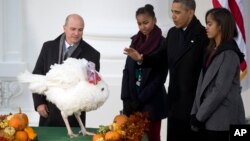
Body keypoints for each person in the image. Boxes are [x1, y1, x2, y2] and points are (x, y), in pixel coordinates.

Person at [123, 0, 209, 141]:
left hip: (193, 105)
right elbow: (160, 58)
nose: (173, 16)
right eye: (172, 12)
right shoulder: (173, 33)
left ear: (191, 12)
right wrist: (141, 59)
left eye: (177, 12)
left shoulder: (203, 37)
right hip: (174, 103)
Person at [32, 14, 100, 127]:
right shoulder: (48, 47)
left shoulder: (92, 54)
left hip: (74, 117)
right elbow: (37, 75)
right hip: (48, 112)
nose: (76, 33)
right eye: (73, 29)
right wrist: (39, 103)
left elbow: (91, 85)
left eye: (80, 30)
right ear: (64, 28)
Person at [190, 8, 246, 141]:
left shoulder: (230, 54)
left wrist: (199, 116)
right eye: (206, 24)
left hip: (225, 121)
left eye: (210, 24)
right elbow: (201, 84)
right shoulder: (211, 50)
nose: (206, 27)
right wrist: (195, 113)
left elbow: (220, 90)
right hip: (209, 118)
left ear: (220, 26)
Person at [121, 4, 168, 141]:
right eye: (139, 23)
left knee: (152, 138)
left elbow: (160, 77)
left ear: (155, 20)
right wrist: (126, 99)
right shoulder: (135, 41)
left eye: (146, 23)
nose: (142, 27)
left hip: (152, 104)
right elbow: (127, 72)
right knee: (132, 138)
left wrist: (140, 100)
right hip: (133, 101)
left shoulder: (163, 44)